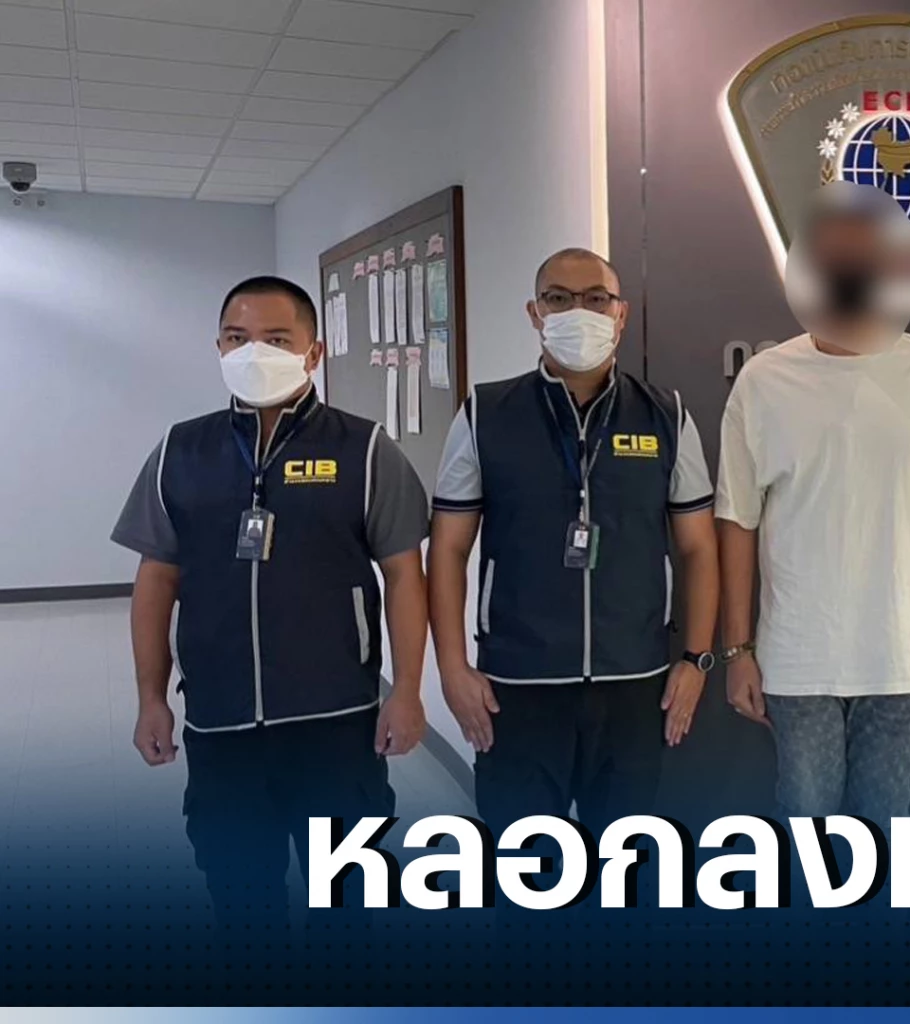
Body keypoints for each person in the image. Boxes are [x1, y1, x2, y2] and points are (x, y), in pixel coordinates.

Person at [111, 275, 429, 929]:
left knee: (347, 903)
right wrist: (150, 697)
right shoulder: (181, 452)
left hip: (336, 724)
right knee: (242, 904)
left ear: (314, 352)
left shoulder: (365, 449)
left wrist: (406, 691)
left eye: (277, 339)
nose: (254, 352)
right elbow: (156, 581)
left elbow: (404, 574)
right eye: (238, 338)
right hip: (221, 724)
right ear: (219, 347)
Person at [716, 181, 910, 824]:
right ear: (808, 267)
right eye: (835, 259)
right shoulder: (764, 380)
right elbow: (737, 520)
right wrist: (738, 650)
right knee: (805, 819)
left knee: (886, 819)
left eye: (864, 259)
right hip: (797, 657)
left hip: (900, 652)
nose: (849, 272)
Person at [427, 248, 718, 852]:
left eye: (595, 299)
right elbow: (449, 549)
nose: (577, 310)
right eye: (558, 298)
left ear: (621, 314)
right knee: (525, 868)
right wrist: (452, 668)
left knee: (627, 863)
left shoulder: (667, 415)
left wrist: (696, 659)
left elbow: (697, 548)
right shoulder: (485, 414)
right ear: (535, 313)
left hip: (635, 683)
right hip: (517, 685)